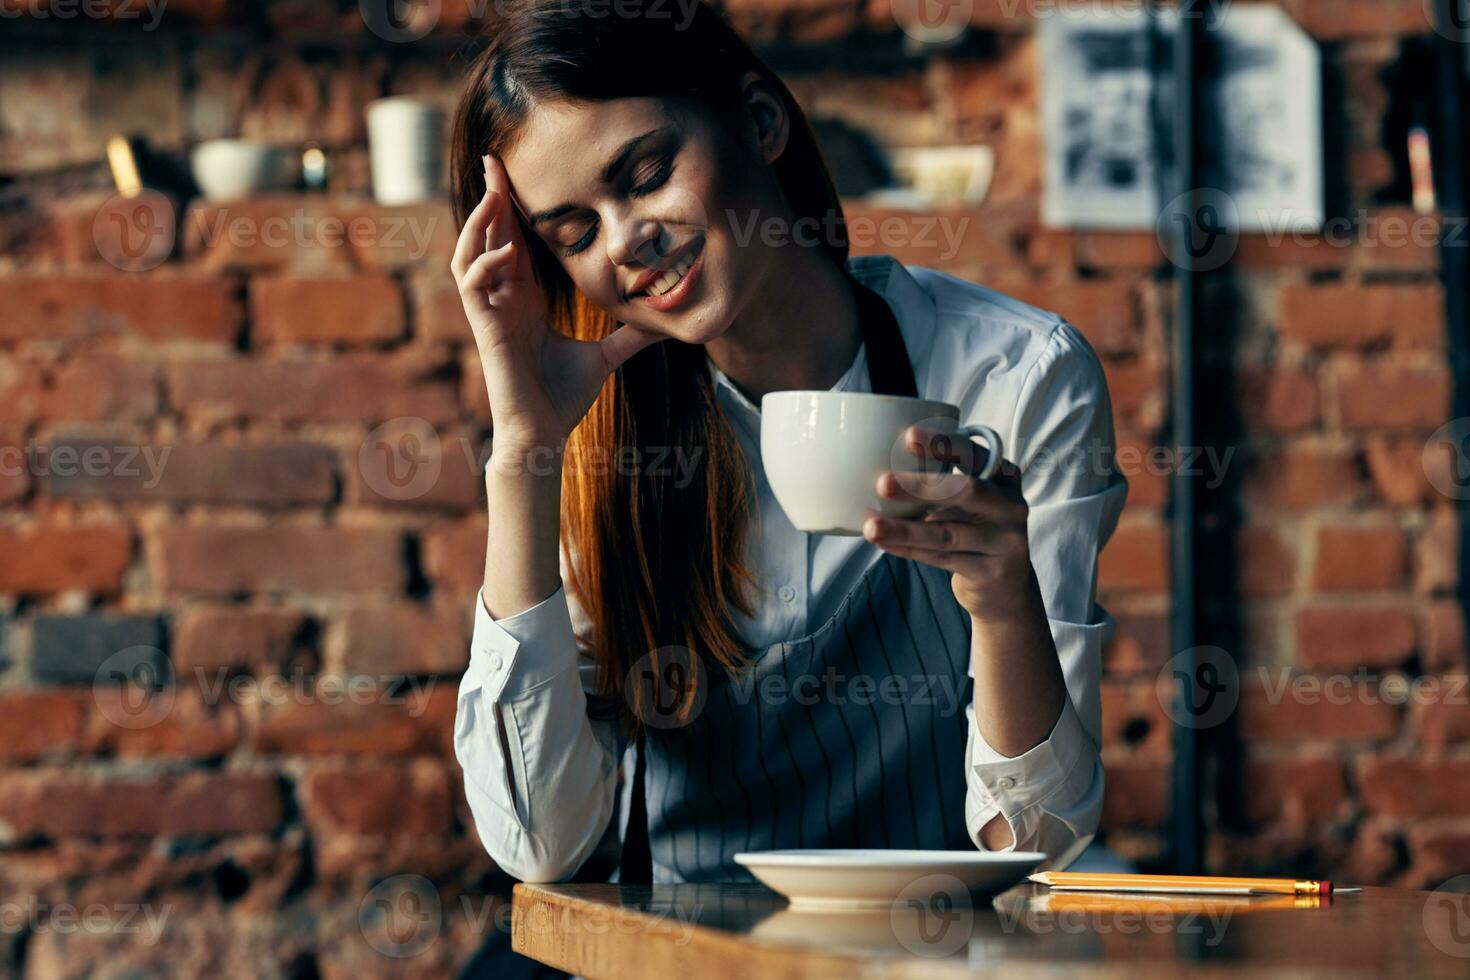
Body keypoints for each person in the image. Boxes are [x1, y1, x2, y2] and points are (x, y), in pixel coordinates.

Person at [448, 0, 1128, 895]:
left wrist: (1004, 599)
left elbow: (1032, 839)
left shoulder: (1015, 376)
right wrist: (526, 454)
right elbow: (540, 845)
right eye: (574, 233)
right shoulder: (596, 432)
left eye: (647, 174)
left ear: (760, 123)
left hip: (929, 955)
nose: (626, 241)